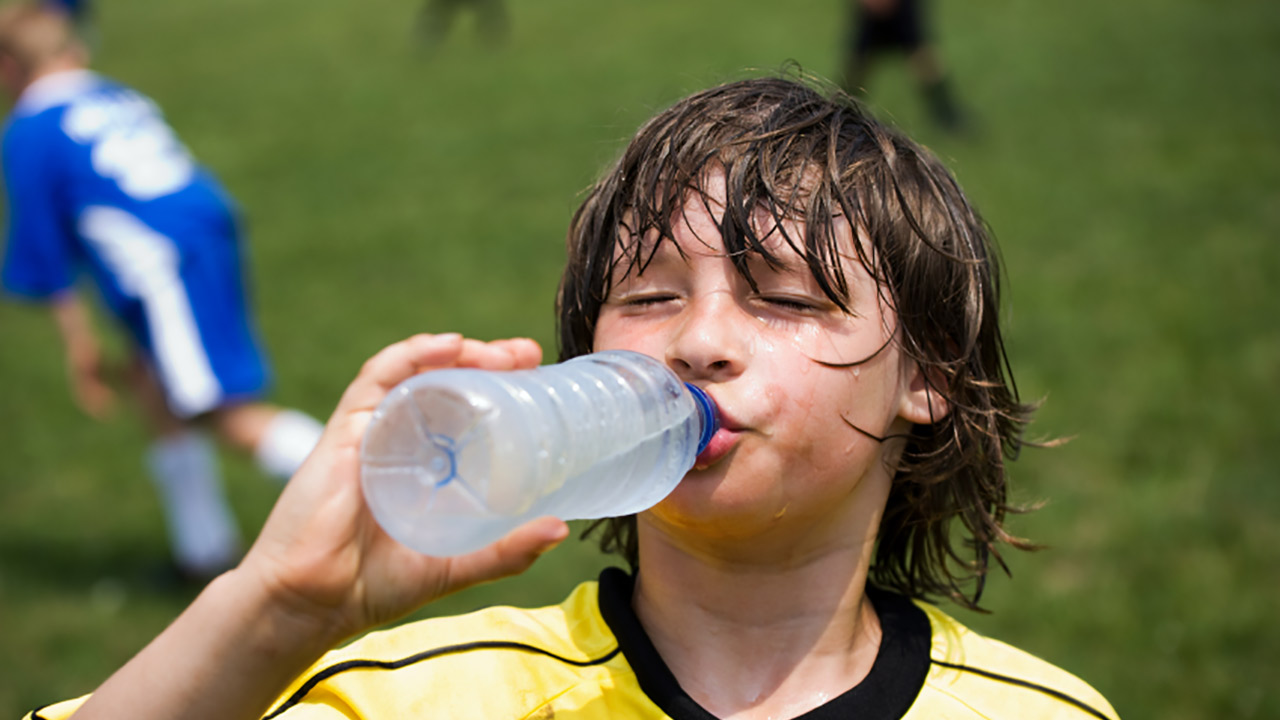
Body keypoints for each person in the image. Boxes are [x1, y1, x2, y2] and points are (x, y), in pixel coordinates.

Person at [22, 75, 1118, 720]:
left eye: (781, 298)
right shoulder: (424, 698)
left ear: (925, 375)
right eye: (645, 295)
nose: (696, 340)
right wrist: (277, 611)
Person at [0, 3, 323, 580]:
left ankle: (387, 488)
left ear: (8, 68)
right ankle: (203, 551)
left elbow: (46, 253)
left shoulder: (30, 129)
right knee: (154, 382)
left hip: (162, 262)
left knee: (220, 410)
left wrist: (78, 346)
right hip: (202, 230)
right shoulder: (113, 94)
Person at [840, 0, 967, 133]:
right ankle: (842, 110)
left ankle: (946, 113)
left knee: (922, 59)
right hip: (872, 11)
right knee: (858, 63)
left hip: (902, 8)